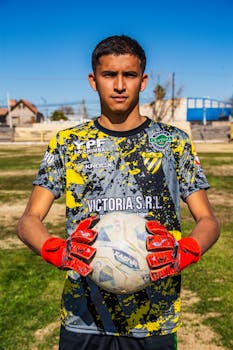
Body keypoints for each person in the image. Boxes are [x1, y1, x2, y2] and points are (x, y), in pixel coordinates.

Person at [17, 35, 220, 350]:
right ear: (93, 80)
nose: (120, 85)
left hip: (155, 319)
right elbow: (28, 219)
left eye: (130, 75)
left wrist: (186, 251)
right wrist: (55, 249)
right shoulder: (69, 143)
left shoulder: (173, 141)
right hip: (83, 319)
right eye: (109, 74)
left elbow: (208, 220)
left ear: (143, 80)